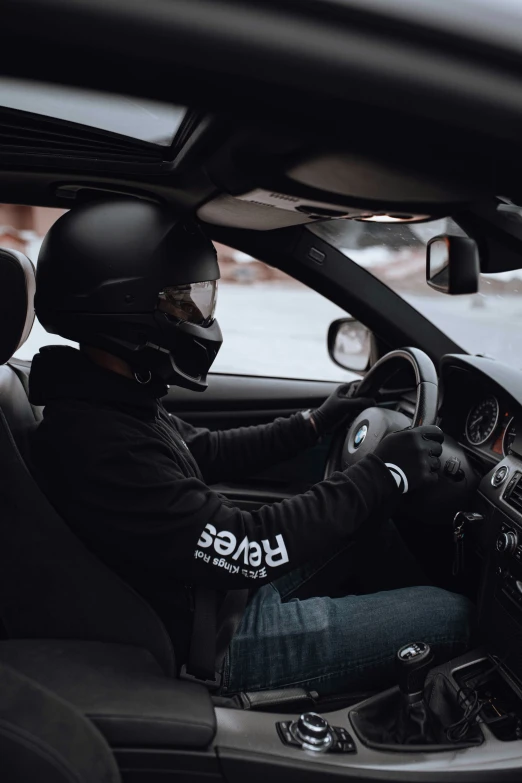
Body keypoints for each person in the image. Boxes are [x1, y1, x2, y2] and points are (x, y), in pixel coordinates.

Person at [29, 198, 474, 697]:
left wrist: (314, 422)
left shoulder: (113, 402)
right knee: (452, 615)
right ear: (128, 309)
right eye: (185, 300)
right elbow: (246, 545)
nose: (201, 315)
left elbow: (209, 451)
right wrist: (383, 474)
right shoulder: (97, 443)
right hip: (216, 645)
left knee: (372, 530)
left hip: (214, 597)